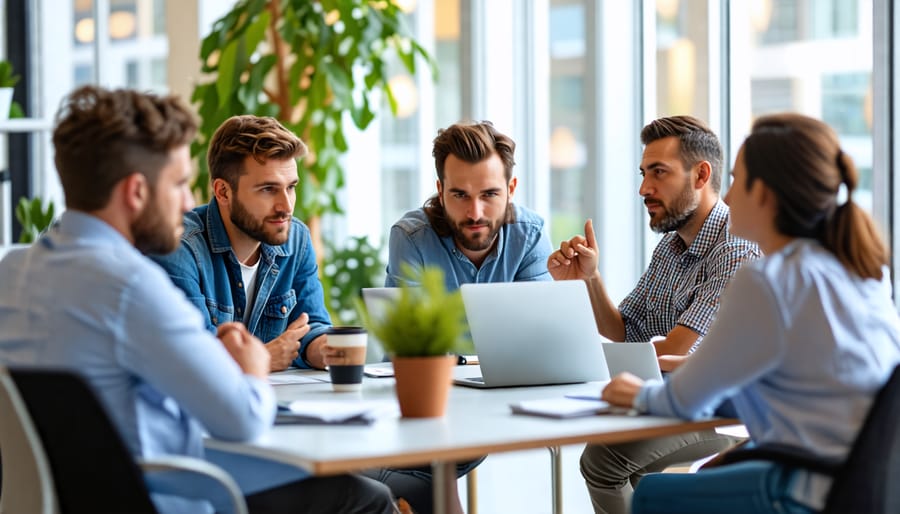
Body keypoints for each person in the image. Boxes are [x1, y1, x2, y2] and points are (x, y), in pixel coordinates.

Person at [0, 86, 395, 513]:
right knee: (365, 499)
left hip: (62, 500)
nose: (190, 202)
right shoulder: (133, 286)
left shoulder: (12, 273)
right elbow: (240, 418)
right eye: (179, 184)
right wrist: (253, 367)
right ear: (136, 192)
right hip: (168, 494)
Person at [602, 113, 900, 514]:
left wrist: (635, 393)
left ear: (766, 194)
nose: (727, 197)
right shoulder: (861, 269)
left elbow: (683, 402)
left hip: (808, 487)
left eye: (738, 180)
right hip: (867, 484)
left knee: (653, 496)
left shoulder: (768, 279)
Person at [548, 115, 761, 514]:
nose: (644, 188)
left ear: (701, 175)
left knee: (603, 461)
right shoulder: (670, 248)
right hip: (668, 399)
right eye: (644, 173)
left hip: (717, 412)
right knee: (624, 466)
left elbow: (678, 347)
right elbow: (623, 329)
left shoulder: (736, 247)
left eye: (658, 173)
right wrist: (588, 280)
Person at [151, 115, 331, 373]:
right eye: (268, 189)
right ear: (223, 191)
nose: (286, 206)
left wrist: (324, 349)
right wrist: (265, 357)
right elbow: (191, 357)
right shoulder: (178, 248)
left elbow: (312, 325)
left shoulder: (296, 238)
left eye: (290, 187)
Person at [385, 120, 553, 290]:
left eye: (489, 194)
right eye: (460, 195)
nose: (475, 214)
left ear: (510, 190)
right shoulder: (412, 238)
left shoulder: (530, 236)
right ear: (441, 192)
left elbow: (539, 316)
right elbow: (406, 317)